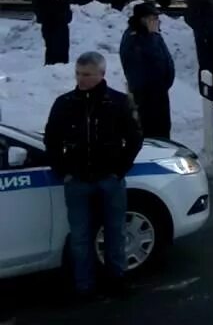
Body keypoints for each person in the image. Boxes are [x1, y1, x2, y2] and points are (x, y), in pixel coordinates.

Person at [42, 52, 143, 300]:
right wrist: (63, 171)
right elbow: (51, 140)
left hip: (109, 179)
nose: (81, 79)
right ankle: (83, 285)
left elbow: (134, 139)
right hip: (77, 180)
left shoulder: (118, 103)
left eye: (87, 74)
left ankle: (116, 279)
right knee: (80, 236)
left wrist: (119, 170)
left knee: (115, 232)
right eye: (78, 74)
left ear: (102, 74)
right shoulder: (65, 103)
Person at [119, 2, 175, 139]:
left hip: (160, 92)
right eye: (154, 19)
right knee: (151, 130)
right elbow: (138, 69)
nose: (157, 22)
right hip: (146, 96)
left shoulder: (154, 35)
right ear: (144, 20)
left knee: (163, 129)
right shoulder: (134, 39)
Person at [34, 0, 72, 65]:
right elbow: (39, 10)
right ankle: (50, 70)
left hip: (62, 26)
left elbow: (67, 6)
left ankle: (63, 69)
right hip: (50, 27)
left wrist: (68, 17)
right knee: (52, 50)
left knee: (64, 49)